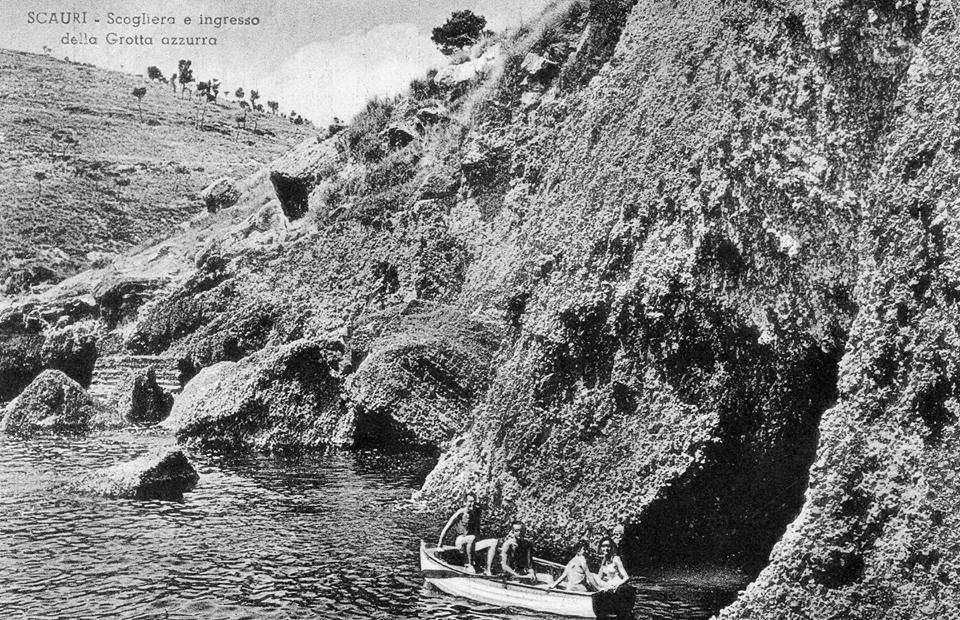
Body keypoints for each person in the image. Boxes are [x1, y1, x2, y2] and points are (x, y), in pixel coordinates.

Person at [438, 491, 497, 573]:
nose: (472, 504)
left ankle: (488, 570)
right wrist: (440, 545)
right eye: (470, 501)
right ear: (465, 502)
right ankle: (469, 564)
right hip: (460, 541)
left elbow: (477, 530)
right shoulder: (460, 513)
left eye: (474, 501)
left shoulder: (476, 513)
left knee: (494, 542)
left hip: (472, 543)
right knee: (471, 538)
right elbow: (446, 528)